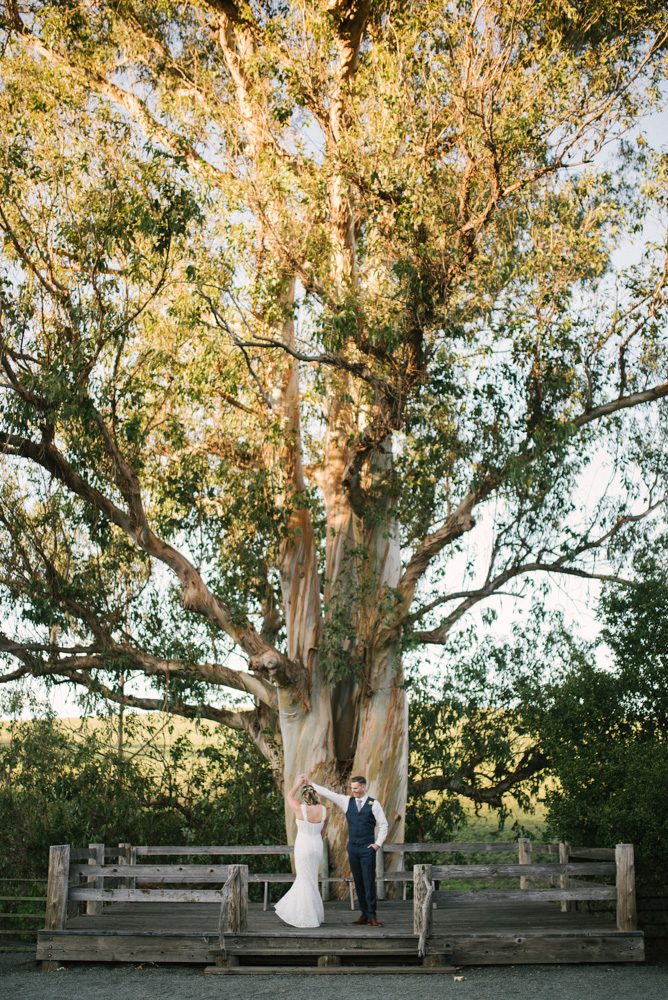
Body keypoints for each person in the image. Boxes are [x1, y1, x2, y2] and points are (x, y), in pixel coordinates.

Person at [301, 773, 388, 927]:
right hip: (353, 848)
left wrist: (377, 844)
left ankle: (372, 916)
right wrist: (311, 783)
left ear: (363, 787)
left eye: (355, 788)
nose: (353, 790)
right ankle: (363, 914)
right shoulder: (347, 802)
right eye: (351, 788)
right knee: (359, 882)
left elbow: (383, 825)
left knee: (369, 882)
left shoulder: (374, 804)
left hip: (367, 849)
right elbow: (329, 794)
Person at [274, 777, 327, 928]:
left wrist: (298, 782)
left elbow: (289, 796)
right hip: (316, 846)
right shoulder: (324, 811)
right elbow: (323, 833)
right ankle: (313, 914)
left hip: (303, 845)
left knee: (304, 878)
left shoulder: (300, 808)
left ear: (303, 796)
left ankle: (305, 916)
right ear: (316, 795)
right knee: (311, 879)